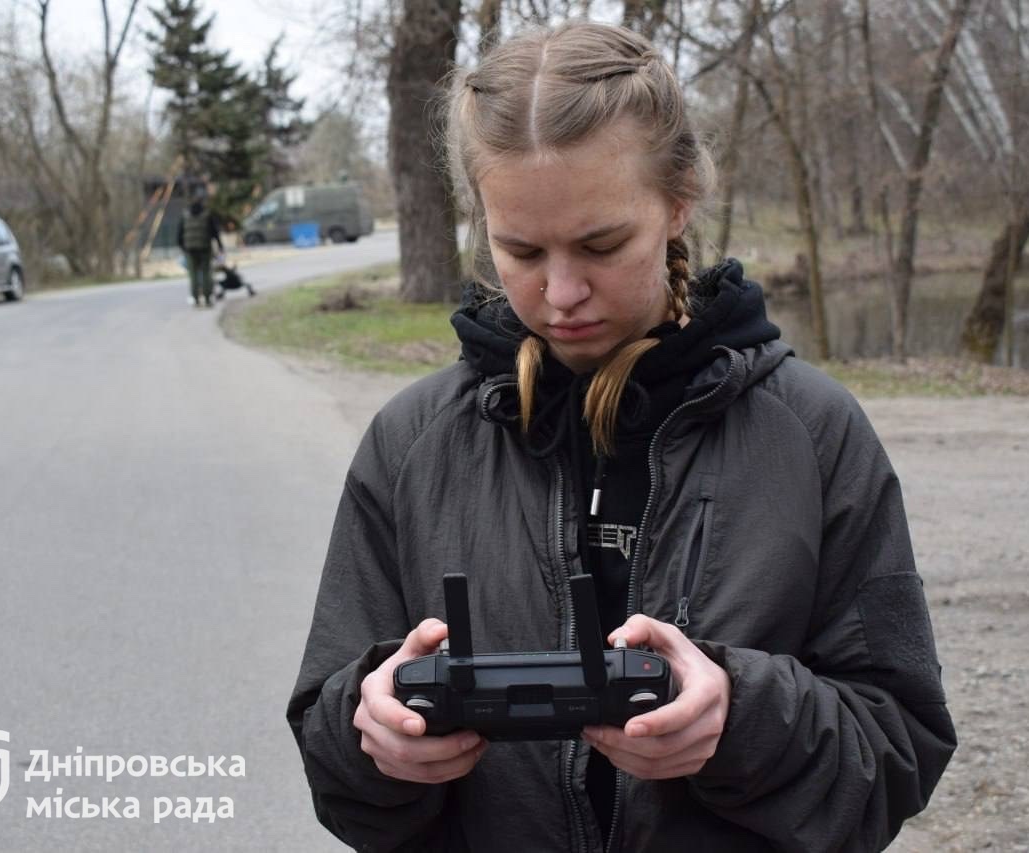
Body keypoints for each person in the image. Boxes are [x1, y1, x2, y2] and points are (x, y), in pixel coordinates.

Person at [287, 20, 955, 852]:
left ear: (679, 200)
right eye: (520, 250)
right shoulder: (411, 444)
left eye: (601, 244)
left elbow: (898, 749)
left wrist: (741, 718)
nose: (562, 291)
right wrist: (374, 739)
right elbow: (330, 755)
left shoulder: (814, 434)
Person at [178, 192, 223, 308]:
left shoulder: (185, 215)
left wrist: (183, 248)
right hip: (205, 248)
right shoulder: (207, 214)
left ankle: (196, 299)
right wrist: (220, 246)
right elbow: (214, 232)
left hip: (190, 250)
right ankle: (208, 299)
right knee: (206, 273)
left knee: (193, 275)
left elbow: (179, 235)